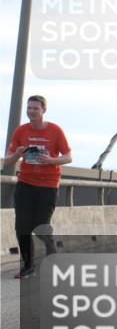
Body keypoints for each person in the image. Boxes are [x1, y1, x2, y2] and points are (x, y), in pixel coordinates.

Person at [3, 95, 72, 279]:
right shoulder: (21, 131)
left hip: (48, 184)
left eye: (35, 108)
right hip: (25, 182)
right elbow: (7, 161)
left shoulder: (55, 131)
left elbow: (68, 156)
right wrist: (17, 154)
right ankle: (28, 266)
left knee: (41, 226)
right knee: (22, 226)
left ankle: (52, 252)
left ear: (43, 110)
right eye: (29, 108)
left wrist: (51, 160)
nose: (31, 111)